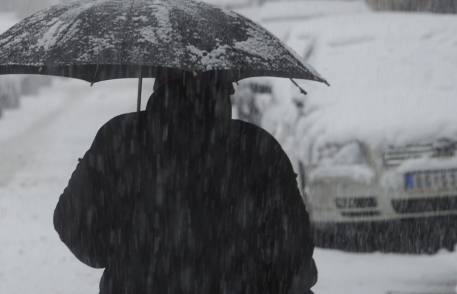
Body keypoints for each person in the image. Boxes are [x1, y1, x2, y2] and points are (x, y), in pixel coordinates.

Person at [54, 71, 317, 294]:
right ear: (224, 85)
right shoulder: (258, 147)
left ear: (158, 83)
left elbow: (71, 221)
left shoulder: (120, 139)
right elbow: (294, 252)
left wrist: (125, 252)